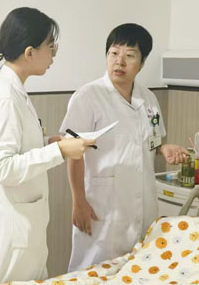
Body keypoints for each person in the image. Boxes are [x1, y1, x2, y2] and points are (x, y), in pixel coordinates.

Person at [0, 7, 95, 285]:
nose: (54, 55)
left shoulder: (12, 90)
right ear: (30, 52)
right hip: (9, 230)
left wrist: (49, 144)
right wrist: (59, 152)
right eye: (51, 47)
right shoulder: (5, 96)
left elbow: (16, 148)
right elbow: (2, 167)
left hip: (19, 223)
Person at [60, 23, 189, 272]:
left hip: (142, 203)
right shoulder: (88, 96)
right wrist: (79, 201)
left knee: (137, 273)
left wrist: (163, 148)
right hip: (102, 207)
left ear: (141, 63)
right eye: (114, 53)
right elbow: (72, 153)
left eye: (130, 55)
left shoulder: (148, 99)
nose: (119, 62)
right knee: (93, 272)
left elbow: (151, 140)